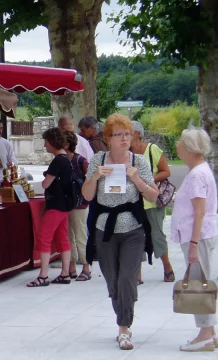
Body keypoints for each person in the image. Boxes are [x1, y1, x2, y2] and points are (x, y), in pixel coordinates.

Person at [81, 113, 159, 351]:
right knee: (113, 280)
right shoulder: (98, 159)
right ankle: (123, 311)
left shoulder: (139, 162)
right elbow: (86, 195)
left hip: (133, 228)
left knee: (127, 278)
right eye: (118, 135)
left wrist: (138, 181)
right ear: (108, 139)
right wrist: (95, 176)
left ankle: (124, 327)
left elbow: (154, 195)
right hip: (105, 229)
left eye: (127, 134)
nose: (124, 139)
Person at [170, 128, 218, 352]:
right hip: (197, 235)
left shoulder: (198, 174)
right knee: (202, 281)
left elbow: (199, 211)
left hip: (197, 236)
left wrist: (193, 244)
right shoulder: (198, 171)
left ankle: (205, 333)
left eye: (181, 142)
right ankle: (210, 331)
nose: (177, 146)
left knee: (199, 286)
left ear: (189, 148)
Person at [27, 128, 73, 288]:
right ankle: (65, 273)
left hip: (55, 205)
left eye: (46, 142)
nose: (45, 145)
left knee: (44, 238)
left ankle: (43, 275)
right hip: (65, 206)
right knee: (62, 238)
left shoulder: (57, 161)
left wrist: (46, 178)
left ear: (53, 142)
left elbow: (46, 184)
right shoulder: (66, 159)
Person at [130, 121, 174, 283]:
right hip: (132, 202)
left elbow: (166, 171)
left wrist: (146, 180)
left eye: (128, 132)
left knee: (156, 235)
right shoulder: (124, 153)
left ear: (137, 134)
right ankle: (138, 273)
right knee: (135, 236)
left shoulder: (151, 149)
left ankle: (167, 266)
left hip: (152, 201)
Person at [63, 131, 92, 281]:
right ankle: (72, 265)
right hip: (67, 203)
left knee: (80, 236)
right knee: (69, 236)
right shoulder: (61, 160)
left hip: (80, 204)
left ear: (67, 145)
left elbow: (91, 180)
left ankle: (86, 267)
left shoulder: (81, 161)